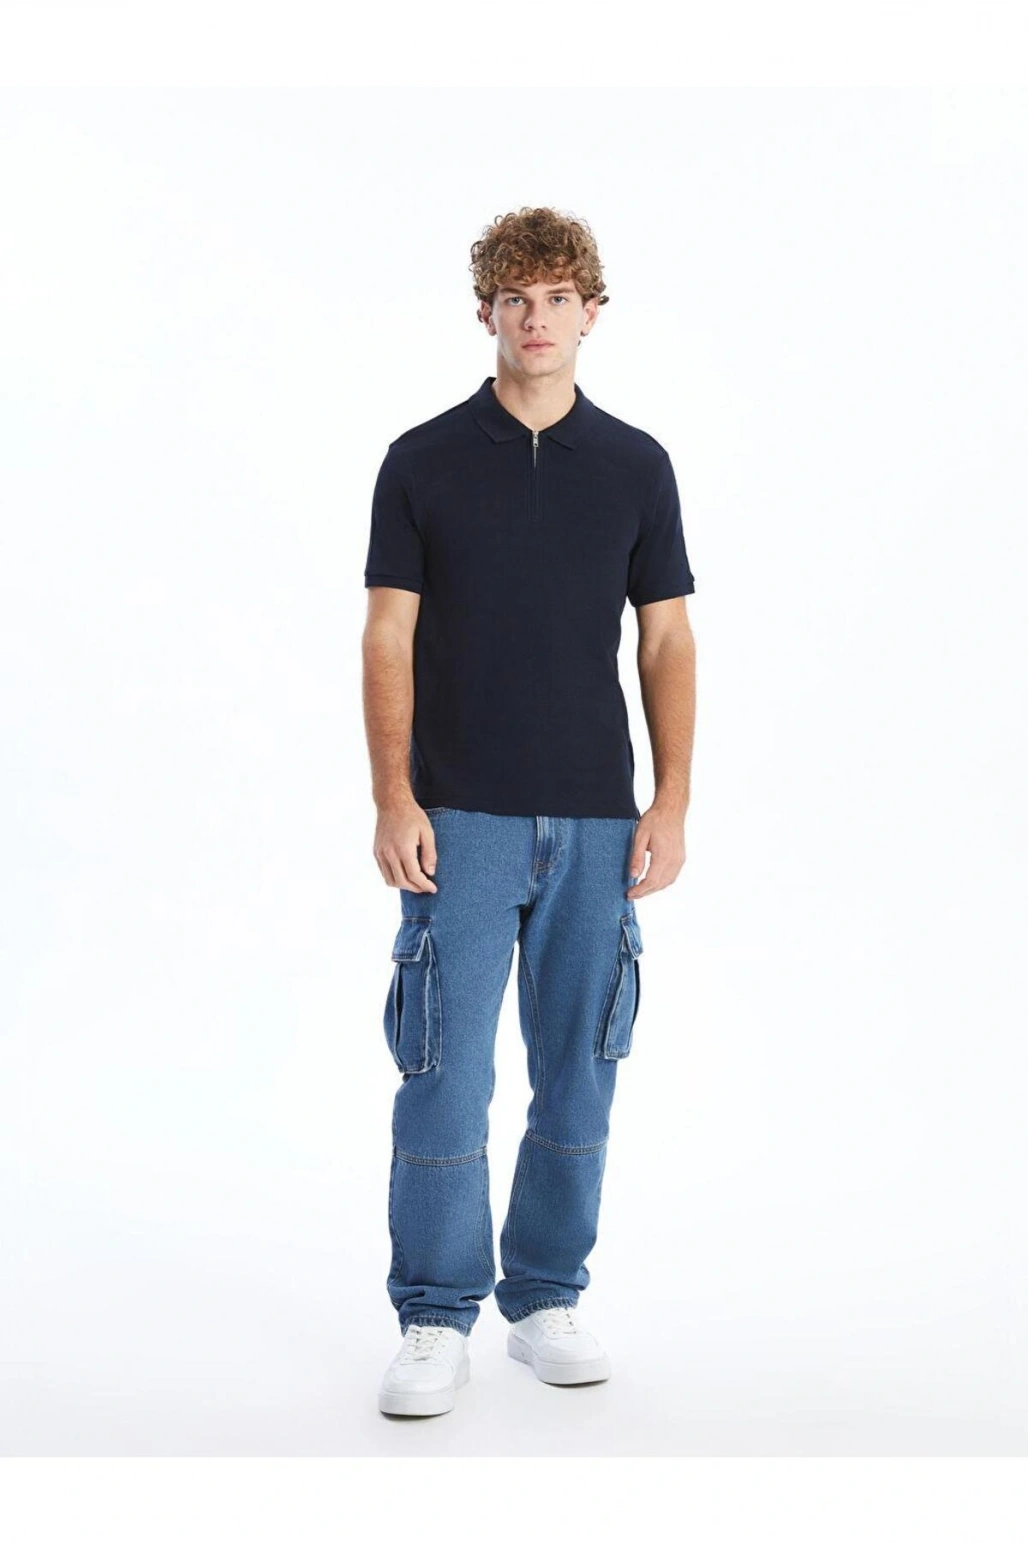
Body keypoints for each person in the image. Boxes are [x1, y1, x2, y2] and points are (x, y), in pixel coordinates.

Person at [362, 206, 697, 1417]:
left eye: (559, 297)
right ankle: (434, 1313)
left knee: (578, 1071)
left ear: (590, 312)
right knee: (443, 1075)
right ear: (486, 314)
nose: (537, 318)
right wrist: (393, 795)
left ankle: (545, 1294)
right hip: (457, 816)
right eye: (516, 298)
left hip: (597, 821)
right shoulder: (422, 459)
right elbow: (386, 634)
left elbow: (664, 639)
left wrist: (669, 799)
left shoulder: (635, 466)